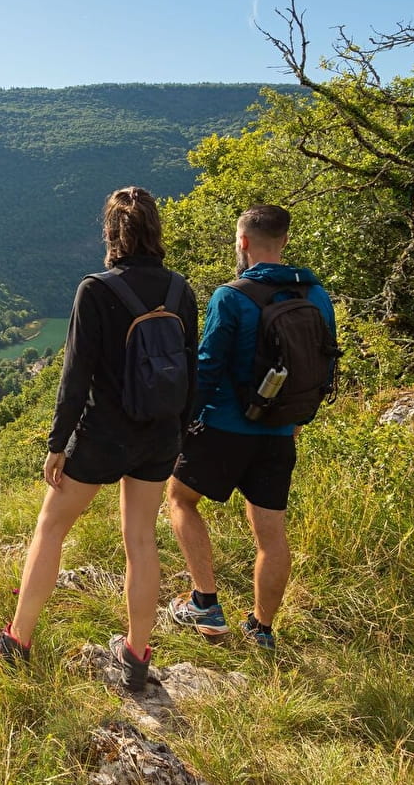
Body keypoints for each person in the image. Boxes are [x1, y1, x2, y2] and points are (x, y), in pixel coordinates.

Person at [0, 186, 198, 691]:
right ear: (156, 229)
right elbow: (191, 369)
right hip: (160, 433)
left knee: (51, 528)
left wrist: (57, 444)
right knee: (141, 539)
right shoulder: (181, 290)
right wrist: (178, 434)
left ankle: (16, 641)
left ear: (112, 232)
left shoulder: (96, 289)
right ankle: (136, 658)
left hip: (103, 435)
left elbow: (75, 376)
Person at [165, 204, 336, 649]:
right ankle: (261, 629)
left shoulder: (232, 296)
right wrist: (297, 419)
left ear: (242, 242)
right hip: (279, 432)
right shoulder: (316, 295)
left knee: (180, 499)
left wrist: (181, 423)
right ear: (285, 241)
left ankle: (205, 603)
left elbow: (207, 367)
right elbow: (323, 365)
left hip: (223, 427)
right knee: (271, 534)